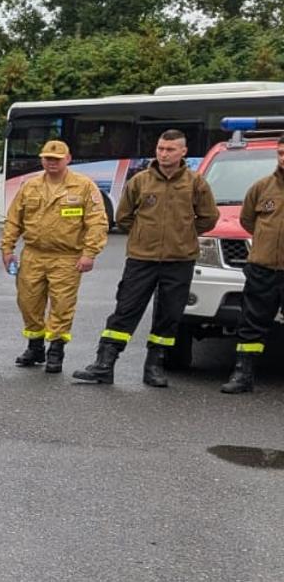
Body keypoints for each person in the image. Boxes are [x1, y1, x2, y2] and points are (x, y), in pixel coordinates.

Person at [72, 130, 217, 386]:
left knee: (169, 315)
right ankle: (104, 364)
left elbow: (209, 218)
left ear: (183, 152)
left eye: (170, 149)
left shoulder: (196, 183)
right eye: (160, 148)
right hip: (141, 259)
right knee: (126, 310)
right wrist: (143, 235)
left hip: (179, 260)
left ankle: (154, 367)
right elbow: (124, 217)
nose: (164, 154)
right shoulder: (140, 181)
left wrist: (182, 234)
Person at [0, 139, 109, 374]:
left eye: (57, 159)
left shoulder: (84, 186)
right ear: (42, 160)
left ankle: (56, 351)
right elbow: (14, 220)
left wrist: (90, 253)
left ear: (68, 159)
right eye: (48, 158)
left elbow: (97, 222)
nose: (52, 162)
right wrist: (7, 249)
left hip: (67, 257)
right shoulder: (30, 186)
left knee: (62, 305)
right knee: (28, 302)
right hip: (33, 255)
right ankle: (35, 347)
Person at [220, 143, 284, 394]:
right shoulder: (261, 187)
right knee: (251, 323)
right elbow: (248, 220)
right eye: (281, 153)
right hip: (262, 268)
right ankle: (243, 374)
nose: (283, 158)